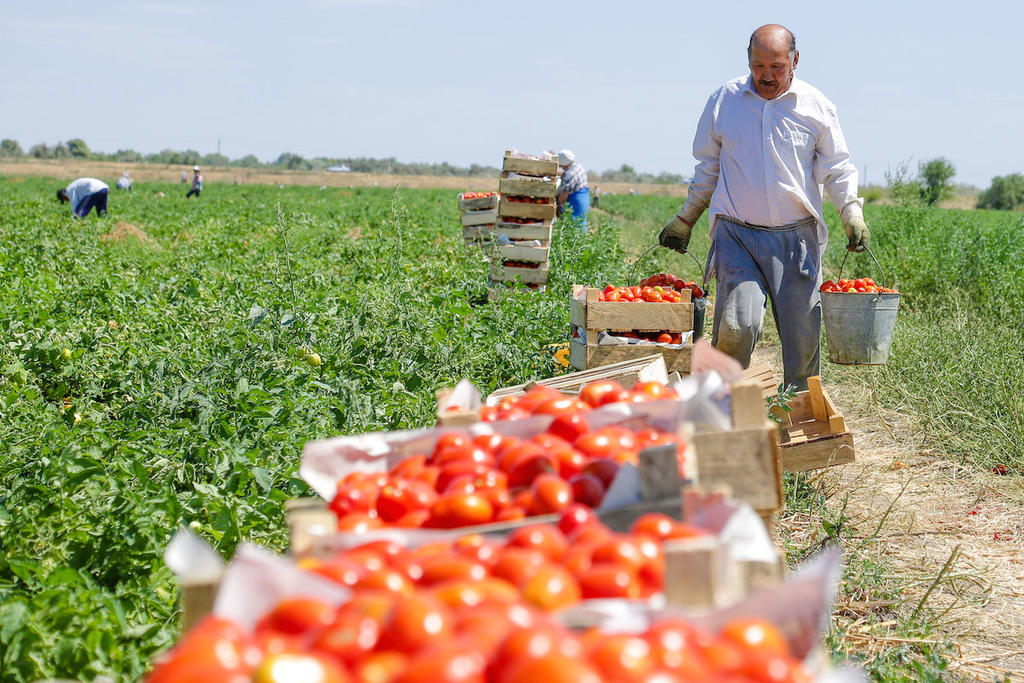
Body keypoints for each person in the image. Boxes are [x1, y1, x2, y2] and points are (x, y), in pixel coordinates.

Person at [658, 24, 869, 391]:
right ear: (748, 60)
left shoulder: (816, 106)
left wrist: (850, 212)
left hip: (796, 238)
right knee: (738, 324)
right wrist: (685, 218)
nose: (766, 76)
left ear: (795, 61)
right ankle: (722, 409)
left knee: (802, 338)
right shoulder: (724, 101)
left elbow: (837, 168)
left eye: (776, 66)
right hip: (736, 234)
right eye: (758, 66)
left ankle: (799, 421)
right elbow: (708, 166)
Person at [556, 149, 589, 232]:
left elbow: (564, 195)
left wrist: (558, 202)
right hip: (584, 197)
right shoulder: (578, 167)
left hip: (575, 200)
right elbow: (565, 173)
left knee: (572, 225)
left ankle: (574, 243)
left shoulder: (569, 174)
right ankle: (580, 242)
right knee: (581, 222)